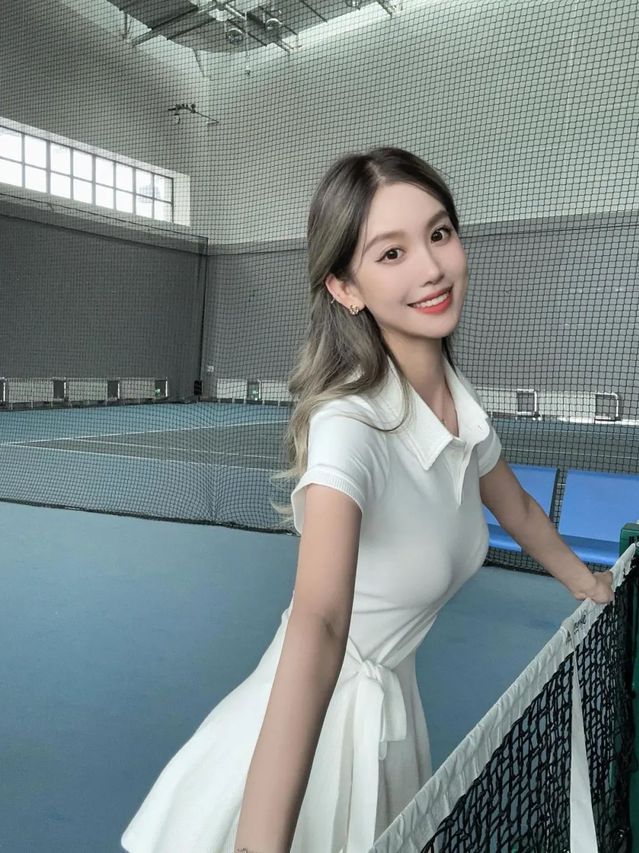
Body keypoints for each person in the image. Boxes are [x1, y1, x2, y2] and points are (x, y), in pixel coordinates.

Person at [120, 147, 613, 853]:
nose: (431, 267)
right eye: (391, 253)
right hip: (314, 732)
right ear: (345, 287)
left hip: (391, 715)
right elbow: (319, 622)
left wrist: (585, 583)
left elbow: (519, 509)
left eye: (439, 233)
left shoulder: (457, 402)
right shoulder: (348, 427)